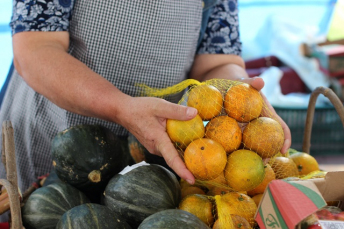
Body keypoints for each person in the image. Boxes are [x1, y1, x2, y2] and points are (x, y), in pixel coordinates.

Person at [0, 0, 291, 202]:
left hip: (156, 157)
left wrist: (240, 90)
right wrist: (120, 107)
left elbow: (217, 63)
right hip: (50, 138)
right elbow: (36, 49)